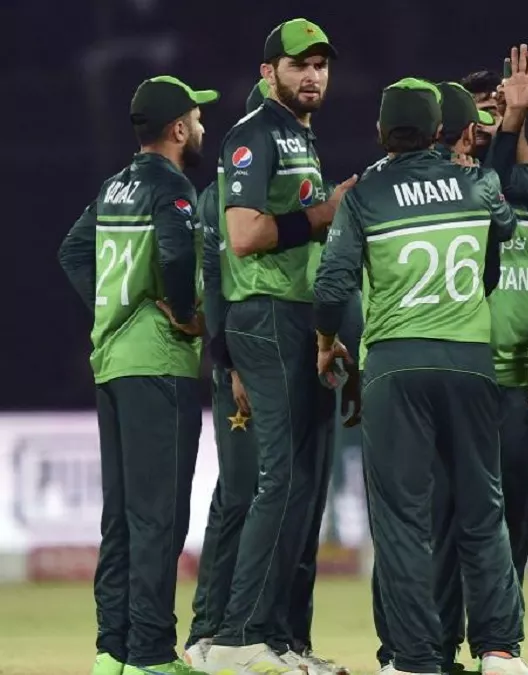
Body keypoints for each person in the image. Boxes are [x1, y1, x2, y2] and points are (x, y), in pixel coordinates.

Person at [312, 77, 528, 675]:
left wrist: (327, 343)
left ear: (381, 132)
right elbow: (501, 240)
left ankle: (414, 659)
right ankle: (500, 650)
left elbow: (331, 287)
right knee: (483, 511)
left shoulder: (364, 195)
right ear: (439, 129)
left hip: (396, 366)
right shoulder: (478, 182)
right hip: (470, 361)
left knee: (404, 521)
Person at [202, 18, 358, 675]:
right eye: (299, 64)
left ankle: (283, 639)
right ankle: (238, 635)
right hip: (265, 312)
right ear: (269, 73)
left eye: (320, 64)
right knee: (282, 479)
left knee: (304, 485)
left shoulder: (299, 136)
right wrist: (328, 212)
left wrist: (328, 328)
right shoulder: (254, 134)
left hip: (296, 315)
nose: (313, 75)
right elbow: (243, 235)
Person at [58, 75, 219, 675]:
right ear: (177, 128)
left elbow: (73, 252)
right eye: (196, 119)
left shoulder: (114, 187)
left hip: (113, 363)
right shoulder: (172, 187)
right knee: (158, 517)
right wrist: (182, 312)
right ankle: (150, 655)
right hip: (158, 364)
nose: (202, 127)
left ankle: (113, 652)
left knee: (122, 517)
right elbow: (175, 255)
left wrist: (114, 308)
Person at [428, 77, 528, 675]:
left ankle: (500, 644)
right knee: (444, 521)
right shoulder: (444, 188)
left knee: (512, 521)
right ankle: (434, 649)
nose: (490, 121)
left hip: (517, 383)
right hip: (454, 378)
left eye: (500, 112)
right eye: (483, 111)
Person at [185, 79, 266, 669]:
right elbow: (213, 284)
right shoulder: (220, 199)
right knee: (238, 494)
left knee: (256, 495)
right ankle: (208, 631)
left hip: (269, 359)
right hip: (241, 364)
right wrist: (229, 362)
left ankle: (255, 630)